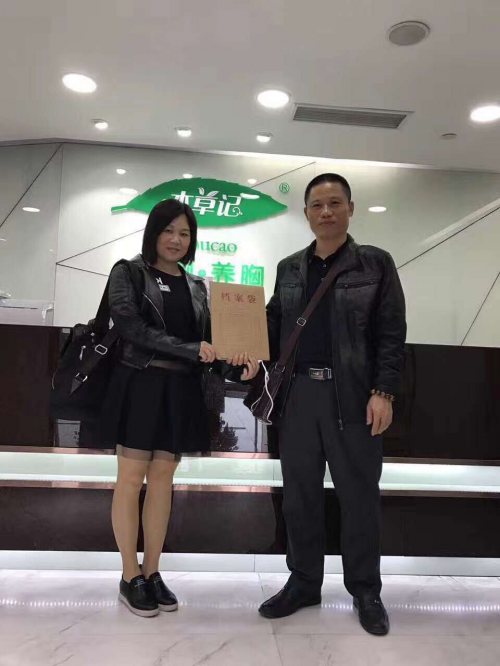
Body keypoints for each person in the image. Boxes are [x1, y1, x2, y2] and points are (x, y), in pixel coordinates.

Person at [257, 174, 406, 636]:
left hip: (354, 399)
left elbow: (391, 333)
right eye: (317, 204)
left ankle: (365, 591)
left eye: (335, 203)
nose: (326, 211)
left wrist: (383, 391)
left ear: (350, 209)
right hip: (298, 397)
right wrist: (240, 344)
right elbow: (272, 325)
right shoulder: (289, 268)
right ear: (305, 213)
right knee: (299, 497)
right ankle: (303, 582)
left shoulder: (375, 264)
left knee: (359, 497)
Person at [102, 199, 259, 617]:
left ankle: (152, 572)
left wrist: (237, 365)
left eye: (185, 233)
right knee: (130, 479)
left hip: (179, 390)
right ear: (154, 232)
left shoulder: (197, 287)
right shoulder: (128, 272)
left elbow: (210, 345)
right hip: (139, 384)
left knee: (163, 480)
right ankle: (129, 575)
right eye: (169, 230)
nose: (176, 239)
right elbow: (131, 327)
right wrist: (191, 349)